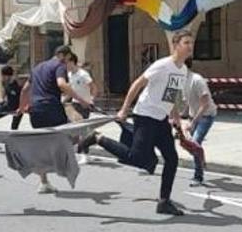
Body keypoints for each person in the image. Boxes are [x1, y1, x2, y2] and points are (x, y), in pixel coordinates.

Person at [78, 30, 194, 216]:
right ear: (175, 45)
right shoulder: (162, 65)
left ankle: (164, 201)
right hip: (145, 116)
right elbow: (138, 84)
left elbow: (170, 96)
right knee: (137, 158)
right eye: (186, 42)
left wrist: (177, 121)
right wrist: (124, 109)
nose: (190, 46)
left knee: (171, 159)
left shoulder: (182, 70)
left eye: (191, 42)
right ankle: (98, 138)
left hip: (161, 120)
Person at [18, 45, 91, 193]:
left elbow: (25, 89)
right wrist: (81, 100)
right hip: (51, 107)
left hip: (36, 110)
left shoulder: (37, 67)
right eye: (68, 59)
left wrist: (21, 107)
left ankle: (44, 182)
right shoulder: (59, 65)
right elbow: (61, 84)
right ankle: (63, 161)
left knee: (43, 143)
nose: (67, 63)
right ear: (63, 56)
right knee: (71, 132)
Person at [184, 59, 217, 186]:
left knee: (195, 143)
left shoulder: (197, 80)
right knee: (190, 144)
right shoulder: (181, 81)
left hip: (207, 115)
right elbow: (184, 101)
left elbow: (205, 104)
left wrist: (193, 122)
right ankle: (201, 160)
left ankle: (198, 176)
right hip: (194, 116)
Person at [65, 54, 96, 164]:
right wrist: (64, 100)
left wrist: (91, 100)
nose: (65, 65)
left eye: (66, 62)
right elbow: (72, 89)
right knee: (72, 129)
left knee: (82, 131)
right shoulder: (69, 74)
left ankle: (85, 155)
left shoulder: (83, 74)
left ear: (72, 62)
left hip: (84, 105)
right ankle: (74, 151)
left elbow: (94, 87)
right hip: (74, 105)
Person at [0, 66, 23, 130]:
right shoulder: (5, 83)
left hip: (17, 108)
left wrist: (21, 108)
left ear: (8, 76)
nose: (2, 77)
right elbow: (4, 96)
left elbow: (22, 95)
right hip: (9, 106)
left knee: (14, 127)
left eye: (3, 76)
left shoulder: (17, 84)